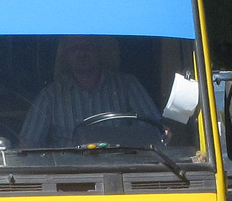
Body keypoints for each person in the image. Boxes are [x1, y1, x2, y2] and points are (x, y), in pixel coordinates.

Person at [20, 35, 160, 148]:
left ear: (99, 49)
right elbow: (28, 145)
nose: (81, 53)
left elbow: (156, 133)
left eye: (87, 46)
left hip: (120, 169)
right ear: (65, 55)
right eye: (74, 48)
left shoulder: (128, 85)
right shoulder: (50, 95)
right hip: (69, 175)